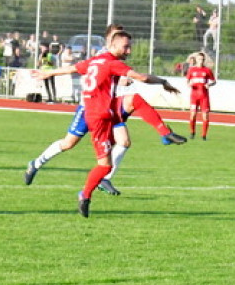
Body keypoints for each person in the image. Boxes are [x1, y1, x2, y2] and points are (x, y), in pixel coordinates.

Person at [34, 29, 182, 217]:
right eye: (125, 47)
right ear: (112, 44)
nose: (129, 51)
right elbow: (143, 78)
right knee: (103, 165)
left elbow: (73, 69)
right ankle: (84, 194)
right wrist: (162, 81)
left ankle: (165, 133)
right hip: (97, 117)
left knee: (133, 102)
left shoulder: (95, 60)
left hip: (105, 110)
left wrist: (49, 73)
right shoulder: (112, 63)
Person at [186, 51, 217, 140]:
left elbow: (214, 81)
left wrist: (209, 85)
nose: (201, 61)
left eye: (202, 59)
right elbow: (187, 81)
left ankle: (204, 135)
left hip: (204, 96)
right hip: (194, 96)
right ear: (196, 59)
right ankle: (192, 132)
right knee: (193, 115)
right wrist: (189, 84)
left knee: (205, 116)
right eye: (199, 59)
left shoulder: (207, 70)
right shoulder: (191, 70)